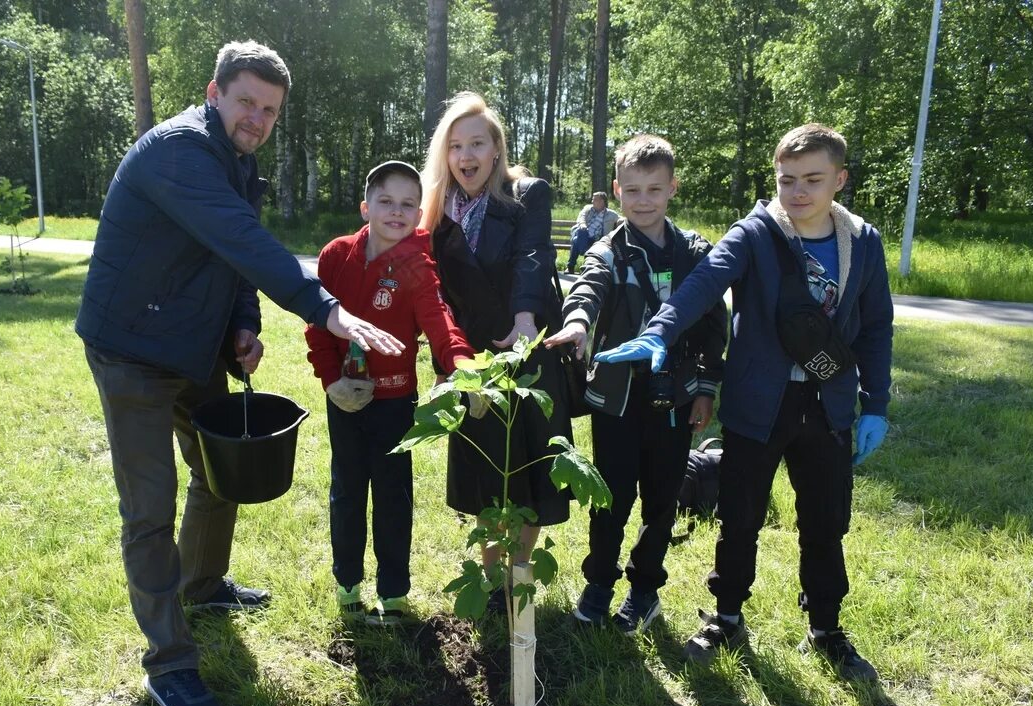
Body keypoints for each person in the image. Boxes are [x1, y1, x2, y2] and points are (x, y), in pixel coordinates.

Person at [75, 40, 404, 706]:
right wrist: (324, 307)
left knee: (219, 467)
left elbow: (231, 253)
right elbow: (245, 240)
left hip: (191, 343)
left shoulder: (240, 162)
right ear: (214, 91)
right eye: (247, 101)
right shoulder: (180, 153)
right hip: (131, 347)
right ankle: (169, 663)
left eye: (270, 110)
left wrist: (244, 324)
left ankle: (204, 584)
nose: (257, 117)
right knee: (149, 508)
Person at [596, 124, 893, 680]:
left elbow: (876, 326)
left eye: (813, 180)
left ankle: (827, 629)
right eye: (787, 180)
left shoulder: (865, 242)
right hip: (760, 404)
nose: (798, 192)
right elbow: (705, 281)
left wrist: (874, 403)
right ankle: (726, 617)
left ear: (840, 180)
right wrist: (661, 330)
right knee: (739, 517)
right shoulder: (756, 233)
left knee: (826, 523)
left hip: (828, 407)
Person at [545, 134, 727, 632]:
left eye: (653, 189)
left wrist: (707, 389)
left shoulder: (696, 253)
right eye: (632, 190)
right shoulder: (607, 249)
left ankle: (645, 590)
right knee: (610, 498)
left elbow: (716, 326)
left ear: (672, 188)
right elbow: (589, 286)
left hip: (675, 401)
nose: (642, 201)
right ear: (616, 190)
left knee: (662, 499)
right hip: (616, 401)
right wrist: (578, 322)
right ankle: (599, 582)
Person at [306, 161, 476, 625]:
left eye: (407, 205)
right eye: (386, 202)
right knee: (346, 490)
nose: (396, 213)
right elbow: (318, 325)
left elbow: (439, 318)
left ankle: (394, 595)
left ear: (420, 212)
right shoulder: (335, 256)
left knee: (393, 495)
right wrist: (331, 380)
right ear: (366, 207)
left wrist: (459, 362)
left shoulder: (418, 264)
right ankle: (347, 586)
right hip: (345, 397)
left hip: (396, 404)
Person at [419, 92, 572, 607]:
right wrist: (445, 360)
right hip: (472, 361)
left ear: (496, 148)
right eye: (455, 145)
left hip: (526, 352)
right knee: (487, 472)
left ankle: (520, 575)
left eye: (476, 144)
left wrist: (526, 315)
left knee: (527, 469)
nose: (466, 156)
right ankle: (489, 579)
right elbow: (429, 288)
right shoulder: (435, 211)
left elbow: (534, 254)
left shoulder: (527, 194)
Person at [566, 191, 620, 273]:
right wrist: (583, 224)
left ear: (602, 201)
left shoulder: (611, 214)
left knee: (576, 240)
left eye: (594, 200)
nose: (592, 201)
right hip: (584, 234)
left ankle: (571, 266)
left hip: (597, 239)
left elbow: (621, 219)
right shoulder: (588, 208)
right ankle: (583, 252)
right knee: (581, 232)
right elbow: (582, 216)